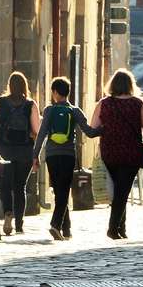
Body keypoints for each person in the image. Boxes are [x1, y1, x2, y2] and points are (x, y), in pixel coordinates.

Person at [94, 70, 143, 240]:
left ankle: (122, 228)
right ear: (130, 85)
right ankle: (113, 228)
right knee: (123, 190)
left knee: (121, 189)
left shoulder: (104, 103)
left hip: (109, 151)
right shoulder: (137, 103)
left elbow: (94, 126)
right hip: (131, 152)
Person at [38, 78, 99, 240]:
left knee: (59, 190)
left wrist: (35, 155)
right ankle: (59, 226)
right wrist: (104, 129)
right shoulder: (75, 111)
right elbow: (90, 132)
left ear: (55, 92)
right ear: (68, 92)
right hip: (68, 155)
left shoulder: (49, 110)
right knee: (63, 190)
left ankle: (62, 227)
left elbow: (41, 134)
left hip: (51, 155)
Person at [0, 71, 37, 235]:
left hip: (5, 148)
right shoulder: (30, 104)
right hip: (25, 149)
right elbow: (37, 129)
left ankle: (7, 213)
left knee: (5, 184)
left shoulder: (2, 101)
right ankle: (19, 224)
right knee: (20, 186)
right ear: (25, 86)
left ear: (9, 86)